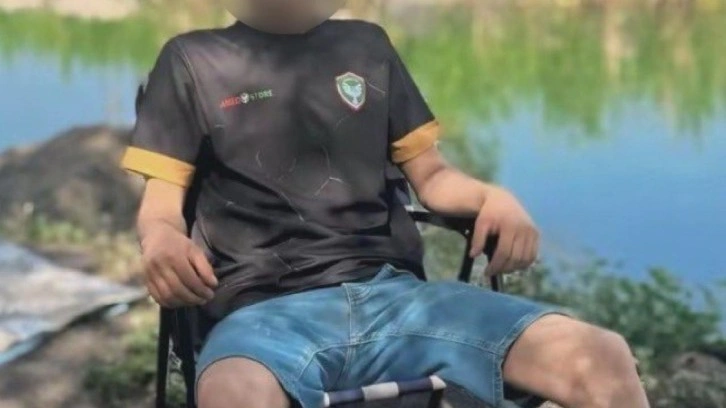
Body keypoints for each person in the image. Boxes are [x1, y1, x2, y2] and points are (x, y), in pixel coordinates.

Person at [121, 1, 650, 407]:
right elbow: (161, 207)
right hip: (260, 315)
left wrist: (493, 197)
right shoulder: (190, 60)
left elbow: (433, 177)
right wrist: (162, 240)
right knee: (235, 393)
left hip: (397, 299)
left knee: (602, 358)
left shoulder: (368, 47)